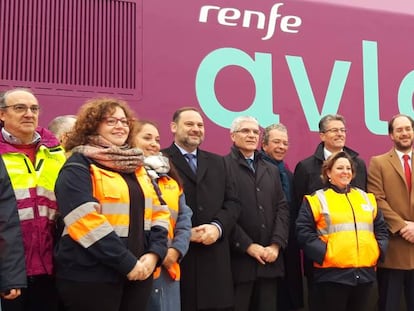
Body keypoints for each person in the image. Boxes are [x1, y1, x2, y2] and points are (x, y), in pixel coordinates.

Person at [53, 98, 169, 311]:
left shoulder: (138, 168)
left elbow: (161, 212)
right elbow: (84, 220)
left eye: (124, 121)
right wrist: (127, 263)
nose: (120, 126)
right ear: (93, 125)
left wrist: (154, 254)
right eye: (111, 121)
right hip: (91, 277)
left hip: (139, 274)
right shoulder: (78, 165)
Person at [162, 107, 239, 311]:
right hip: (178, 260)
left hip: (215, 262)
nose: (196, 129)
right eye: (189, 124)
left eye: (200, 125)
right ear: (173, 127)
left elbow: (232, 203)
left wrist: (217, 227)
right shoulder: (160, 161)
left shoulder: (218, 162)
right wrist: (185, 234)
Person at [0, 88, 67, 311]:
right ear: (2, 114)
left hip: (53, 271)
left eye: (34, 108)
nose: (29, 114)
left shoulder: (56, 152)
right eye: (20, 108)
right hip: (11, 275)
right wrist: (6, 273)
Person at [296, 151, 388, 311]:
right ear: (328, 172)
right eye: (339, 168)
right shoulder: (317, 199)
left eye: (348, 168)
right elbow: (303, 232)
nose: (345, 171)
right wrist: (325, 253)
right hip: (332, 276)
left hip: (364, 275)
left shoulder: (366, 198)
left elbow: (380, 228)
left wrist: (377, 251)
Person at [292, 114, 367, 309]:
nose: (340, 134)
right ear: (322, 136)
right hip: (323, 267)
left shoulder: (359, 164)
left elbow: (368, 210)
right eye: (334, 130)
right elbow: (298, 216)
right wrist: (322, 253)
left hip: (358, 266)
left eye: (343, 130)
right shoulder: (306, 167)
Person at [223, 116, 289, 311]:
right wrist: (248, 246)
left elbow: (282, 208)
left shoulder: (271, 169)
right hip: (239, 262)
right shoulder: (222, 166)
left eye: (255, 132)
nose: (251, 135)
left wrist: (276, 245)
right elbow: (222, 211)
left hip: (270, 261)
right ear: (233, 135)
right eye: (245, 131)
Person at [134, 120, 192, 311]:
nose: (154, 144)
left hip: (169, 267)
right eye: (147, 138)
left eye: (157, 139)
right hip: (140, 265)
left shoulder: (171, 179)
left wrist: (175, 251)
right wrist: (155, 254)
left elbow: (184, 219)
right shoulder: (125, 176)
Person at [367, 114, 414, 311]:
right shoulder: (378, 163)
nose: (404, 133)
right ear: (391, 135)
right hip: (394, 252)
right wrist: (403, 226)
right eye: (399, 130)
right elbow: (376, 199)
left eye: (408, 128)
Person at [261, 123, 304, 311]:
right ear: (264, 145)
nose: (281, 147)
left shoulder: (289, 174)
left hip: (289, 245)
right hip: (265, 245)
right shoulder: (256, 170)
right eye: (276, 142)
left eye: (285, 143)